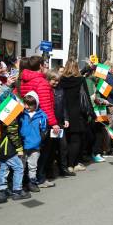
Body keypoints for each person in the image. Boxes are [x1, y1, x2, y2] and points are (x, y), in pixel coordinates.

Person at [20, 56, 59, 188]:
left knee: (28, 151)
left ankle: (27, 179)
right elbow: (46, 105)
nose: (46, 67)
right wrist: (53, 123)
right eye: (45, 64)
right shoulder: (41, 82)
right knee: (41, 152)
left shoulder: (24, 79)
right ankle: (39, 179)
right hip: (40, 120)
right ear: (41, 66)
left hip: (26, 118)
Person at [0, 89, 31, 203]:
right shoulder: (10, 114)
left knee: (3, 168)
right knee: (18, 167)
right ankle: (17, 191)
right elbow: (13, 134)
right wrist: (19, 149)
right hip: (8, 147)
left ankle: (2, 191)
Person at [19, 92, 48, 193]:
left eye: (30, 104)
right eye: (25, 104)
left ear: (36, 104)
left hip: (35, 145)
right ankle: (20, 184)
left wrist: (39, 139)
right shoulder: (21, 114)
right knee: (21, 166)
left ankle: (32, 182)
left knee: (33, 166)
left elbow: (44, 129)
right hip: (23, 144)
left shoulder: (42, 115)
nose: (27, 107)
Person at [46, 70, 73, 178]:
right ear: (48, 79)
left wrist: (66, 118)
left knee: (63, 146)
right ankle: (49, 170)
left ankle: (63, 168)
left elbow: (64, 105)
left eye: (57, 81)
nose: (56, 83)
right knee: (51, 148)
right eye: (54, 80)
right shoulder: (47, 90)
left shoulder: (60, 90)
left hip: (59, 122)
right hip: (50, 123)